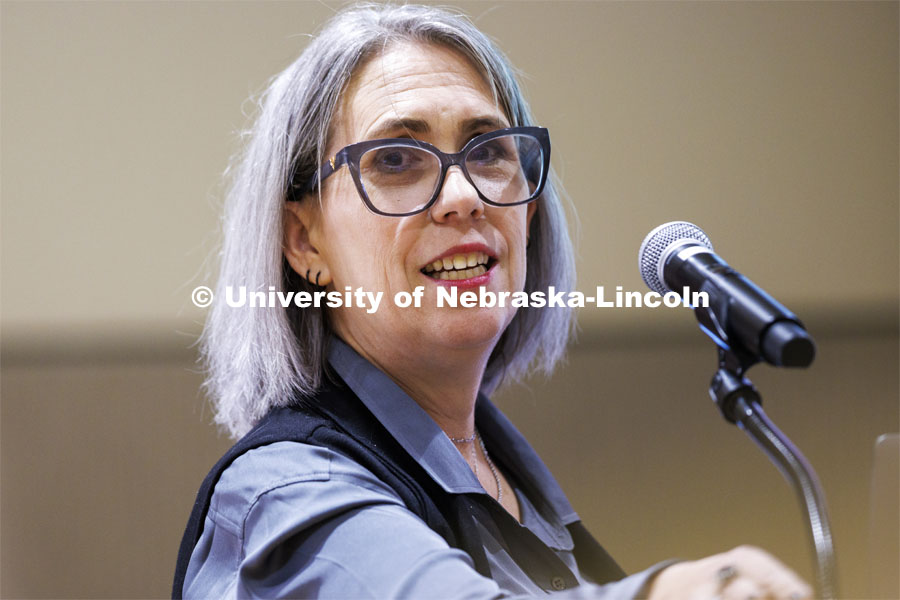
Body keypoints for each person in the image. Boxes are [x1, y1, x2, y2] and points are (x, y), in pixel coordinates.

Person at [174, 4, 813, 599]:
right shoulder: (285, 494)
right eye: (396, 159)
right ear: (302, 239)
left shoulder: (513, 483)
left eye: (489, 152)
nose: (464, 195)